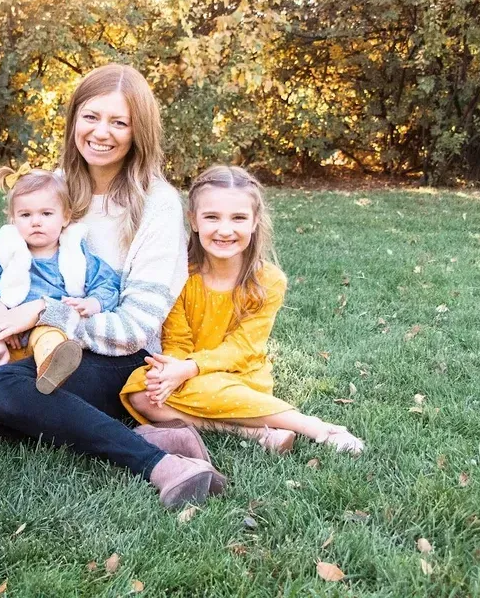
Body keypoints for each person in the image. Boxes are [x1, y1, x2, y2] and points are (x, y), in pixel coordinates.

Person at [0, 64, 227, 509]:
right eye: (91, 117)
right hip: (34, 345)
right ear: (73, 121)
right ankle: (152, 434)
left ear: (138, 131)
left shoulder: (157, 204)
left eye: (119, 122)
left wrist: (41, 313)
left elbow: (133, 327)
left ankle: (160, 465)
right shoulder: (55, 189)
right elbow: (2, 272)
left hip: (119, 358)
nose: (101, 132)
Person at [120, 165, 365, 455]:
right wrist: (170, 371)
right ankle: (252, 432)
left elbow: (242, 348)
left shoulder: (268, 281)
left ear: (254, 221)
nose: (225, 230)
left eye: (238, 218)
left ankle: (313, 426)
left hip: (239, 375)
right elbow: (177, 340)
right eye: (212, 217)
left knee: (213, 388)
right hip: (187, 371)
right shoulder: (179, 275)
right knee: (139, 392)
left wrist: (191, 369)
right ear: (194, 221)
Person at [0, 165, 121, 394]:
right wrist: (3, 318)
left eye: (46, 214)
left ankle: (51, 373)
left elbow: (107, 284)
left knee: (50, 339)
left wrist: (92, 303)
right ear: (13, 219)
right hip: (6, 328)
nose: (36, 222)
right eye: (25, 215)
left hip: (46, 326)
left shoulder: (75, 253)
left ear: (65, 217)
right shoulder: (4, 250)